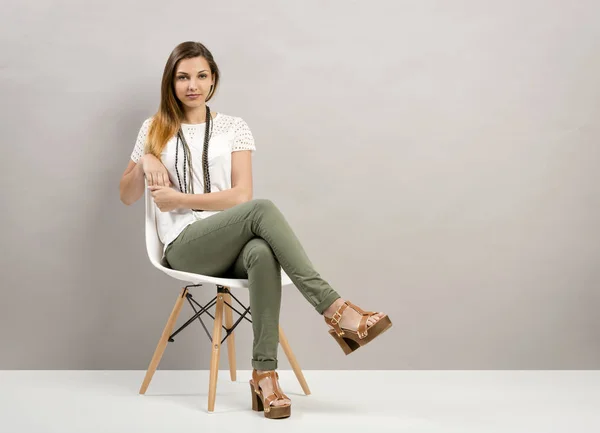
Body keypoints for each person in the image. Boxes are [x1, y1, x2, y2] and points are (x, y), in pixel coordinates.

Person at [119, 41, 392, 419]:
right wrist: (147, 155)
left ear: (213, 80)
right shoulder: (154, 128)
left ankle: (265, 376)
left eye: (201, 76)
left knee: (262, 253)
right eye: (183, 77)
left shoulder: (234, 127)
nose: (192, 85)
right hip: (184, 246)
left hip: (227, 243)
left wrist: (181, 198)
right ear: (171, 82)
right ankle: (336, 311)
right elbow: (127, 195)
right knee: (261, 210)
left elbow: (239, 195)